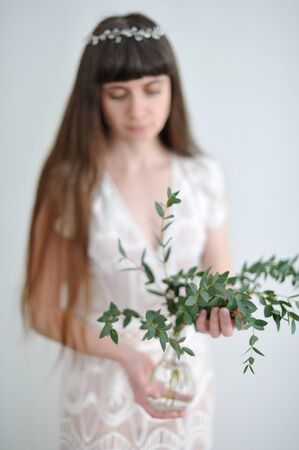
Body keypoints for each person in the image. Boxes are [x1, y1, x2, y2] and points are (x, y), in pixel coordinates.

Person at [21, 12, 236, 450]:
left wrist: (221, 311)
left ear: (173, 88)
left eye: (152, 90)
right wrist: (126, 355)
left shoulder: (203, 177)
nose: (138, 110)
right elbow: (42, 311)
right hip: (104, 389)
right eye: (118, 94)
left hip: (185, 386)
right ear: (94, 98)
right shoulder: (72, 183)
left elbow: (221, 286)